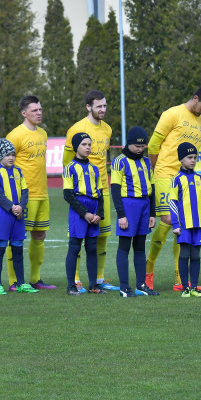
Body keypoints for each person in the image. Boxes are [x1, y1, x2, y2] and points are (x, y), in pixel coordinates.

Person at [145, 85, 201, 291]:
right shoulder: (172, 114)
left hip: (187, 179)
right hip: (165, 175)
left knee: (184, 224)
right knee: (168, 219)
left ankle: (180, 279)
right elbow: (153, 145)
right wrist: (156, 169)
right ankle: (148, 269)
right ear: (195, 98)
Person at [64, 90, 117, 291]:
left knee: (101, 238)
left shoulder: (107, 130)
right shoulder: (76, 129)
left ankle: (99, 280)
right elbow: (66, 161)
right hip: (80, 194)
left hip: (101, 190)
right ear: (88, 107)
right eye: (99, 106)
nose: (103, 109)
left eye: (105, 106)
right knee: (76, 242)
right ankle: (76, 280)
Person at [5, 95, 55, 291]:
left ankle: (35, 279)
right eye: (34, 110)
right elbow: (3, 165)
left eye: (40, 109)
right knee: (16, 238)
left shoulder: (43, 134)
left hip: (43, 194)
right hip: (23, 196)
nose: (39, 113)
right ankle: (13, 281)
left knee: (40, 236)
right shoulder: (15, 135)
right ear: (24, 113)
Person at [110, 127, 158, 297]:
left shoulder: (146, 162)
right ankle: (124, 287)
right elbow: (115, 189)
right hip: (128, 205)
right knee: (124, 246)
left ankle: (141, 285)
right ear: (129, 143)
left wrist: (152, 213)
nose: (139, 149)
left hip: (144, 205)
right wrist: (121, 214)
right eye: (136, 146)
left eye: (142, 146)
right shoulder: (120, 161)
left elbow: (152, 187)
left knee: (140, 246)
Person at [0, 139, 37, 295]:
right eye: (7, 155)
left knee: (18, 249)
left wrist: (21, 206)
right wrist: (11, 207)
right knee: (0, 249)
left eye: (13, 155)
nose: (11, 158)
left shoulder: (18, 171)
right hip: (4, 213)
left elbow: (25, 192)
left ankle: (21, 283)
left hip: (18, 214)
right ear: (0, 155)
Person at [63, 133, 104, 296]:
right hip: (79, 209)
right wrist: (85, 213)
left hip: (93, 209)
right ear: (76, 147)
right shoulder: (70, 168)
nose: (88, 147)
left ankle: (94, 285)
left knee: (92, 247)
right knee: (74, 247)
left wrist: (99, 214)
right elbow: (68, 194)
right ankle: (71, 285)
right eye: (84, 144)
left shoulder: (94, 169)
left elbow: (100, 194)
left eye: (89, 144)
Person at [170, 142, 201, 298]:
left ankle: (194, 287)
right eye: (189, 157)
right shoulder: (176, 179)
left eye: (195, 157)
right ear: (181, 159)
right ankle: (185, 287)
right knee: (184, 255)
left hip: (199, 224)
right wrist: (175, 224)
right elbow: (172, 202)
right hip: (184, 225)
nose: (193, 160)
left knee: (196, 256)